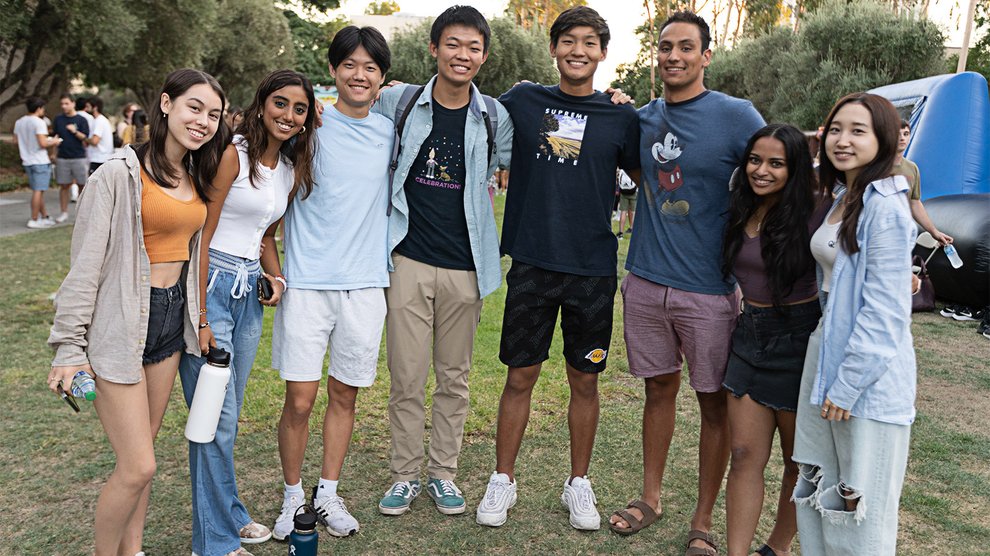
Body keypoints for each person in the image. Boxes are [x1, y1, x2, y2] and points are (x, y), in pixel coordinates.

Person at [47, 68, 229, 556]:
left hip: (171, 321)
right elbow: (84, 267)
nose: (204, 121)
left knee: (145, 451)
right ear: (166, 105)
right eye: (194, 107)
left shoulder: (193, 174)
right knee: (139, 466)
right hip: (125, 321)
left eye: (213, 114)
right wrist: (68, 346)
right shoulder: (115, 175)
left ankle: (134, 549)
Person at [474, 6, 639, 532]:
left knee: (584, 380)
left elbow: (649, 178)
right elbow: (467, 115)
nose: (578, 51)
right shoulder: (523, 100)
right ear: (553, 48)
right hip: (533, 263)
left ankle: (579, 485)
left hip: (592, 269)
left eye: (589, 43)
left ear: (602, 53)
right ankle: (502, 480)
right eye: (569, 41)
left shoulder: (619, 115)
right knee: (519, 376)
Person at [607, 12, 765, 554]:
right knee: (658, 389)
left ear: (706, 55)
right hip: (646, 281)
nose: (673, 56)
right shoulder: (643, 119)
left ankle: (702, 520)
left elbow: (777, 170)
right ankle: (651, 498)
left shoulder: (736, 116)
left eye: (685, 47)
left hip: (710, 289)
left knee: (712, 402)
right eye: (666, 47)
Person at [372, 5, 513, 517]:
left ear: (484, 56)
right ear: (434, 48)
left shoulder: (495, 116)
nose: (463, 55)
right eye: (453, 44)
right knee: (406, 377)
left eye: (474, 47)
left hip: (467, 265)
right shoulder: (399, 101)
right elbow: (347, 106)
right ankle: (405, 476)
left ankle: (444, 474)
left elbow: (532, 165)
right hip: (406, 258)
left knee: (454, 377)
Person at [177, 69, 315, 556]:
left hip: (247, 294)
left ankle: (230, 516)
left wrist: (276, 279)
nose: (289, 115)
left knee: (225, 420)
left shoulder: (287, 169)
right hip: (211, 286)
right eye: (281, 103)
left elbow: (266, 237)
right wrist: (200, 317)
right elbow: (202, 236)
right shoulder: (233, 155)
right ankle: (211, 542)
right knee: (213, 417)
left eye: (299, 109)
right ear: (262, 104)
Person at [270, 26, 394, 539]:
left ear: (382, 78)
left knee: (346, 395)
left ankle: (328, 493)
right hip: (306, 284)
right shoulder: (306, 126)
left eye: (370, 66)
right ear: (333, 69)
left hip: (366, 285)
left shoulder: (392, 133)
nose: (359, 74)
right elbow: (258, 127)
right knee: (299, 399)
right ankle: (292, 499)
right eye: (349, 64)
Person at [791, 92, 917, 556]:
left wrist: (847, 386)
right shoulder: (846, 196)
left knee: (859, 507)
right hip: (826, 357)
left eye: (858, 131)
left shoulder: (885, 207)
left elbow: (885, 316)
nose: (843, 140)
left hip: (863, 380)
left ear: (883, 139)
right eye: (836, 129)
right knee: (820, 491)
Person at [720, 124, 826, 556]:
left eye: (776, 163)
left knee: (795, 462)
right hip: (748, 334)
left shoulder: (816, 209)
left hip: (799, 338)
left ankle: (778, 548)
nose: (761, 171)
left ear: (795, 167)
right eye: (755, 160)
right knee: (744, 454)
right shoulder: (742, 205)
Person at [892, 119, 952, 246]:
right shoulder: (875, 165)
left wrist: (934, 232)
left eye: (906, 134)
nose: (902, 138)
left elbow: (915, 203)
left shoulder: (912, 168)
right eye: (897, 134)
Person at [13, 97, 62, 228]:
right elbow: (43, 143)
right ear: (39, 108)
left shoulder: (19, 122)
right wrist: (55, 141)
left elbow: (15, 141)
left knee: (38, 190)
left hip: (27, 161)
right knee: (38, 191)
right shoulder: (39, 122)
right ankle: (34, 219)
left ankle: (44, 216)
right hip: (39, 160)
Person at [52, 94, 90, 223]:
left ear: (73, 103)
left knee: (82, 185)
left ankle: (81, 214)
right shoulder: (58, 119)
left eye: (66, 103)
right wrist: (53, 152)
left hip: (79, 157)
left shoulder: (81, 120)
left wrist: (74, 131)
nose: (64, 106)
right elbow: (55, 136)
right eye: (62, 104)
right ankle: (63, 213)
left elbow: (85, 139)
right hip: (63, 157)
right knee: (64, 186)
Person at [85, 96, 115, 175]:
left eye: (88, 106)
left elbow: (95, 141)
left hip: (99, 159)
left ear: (95, 107)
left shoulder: (100, 121)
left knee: (95, 186)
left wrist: (83, 137)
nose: (86, 109)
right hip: (100, 158)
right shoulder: (97, 120)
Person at [616, 168, 637, 238]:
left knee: (623, 211)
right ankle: (632, 230)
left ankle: (620, 233)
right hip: (634, 190)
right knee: (633, 211)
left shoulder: (623, 164)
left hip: (624, 190)